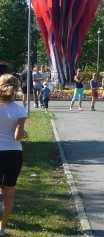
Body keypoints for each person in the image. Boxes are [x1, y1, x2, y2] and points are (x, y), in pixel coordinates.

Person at [0, 74, 29, 236]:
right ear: (17, 89)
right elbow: (17, 136)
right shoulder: (20, 110)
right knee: (9, 189)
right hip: (13, 153)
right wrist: (24, 132)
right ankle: (2, 227)